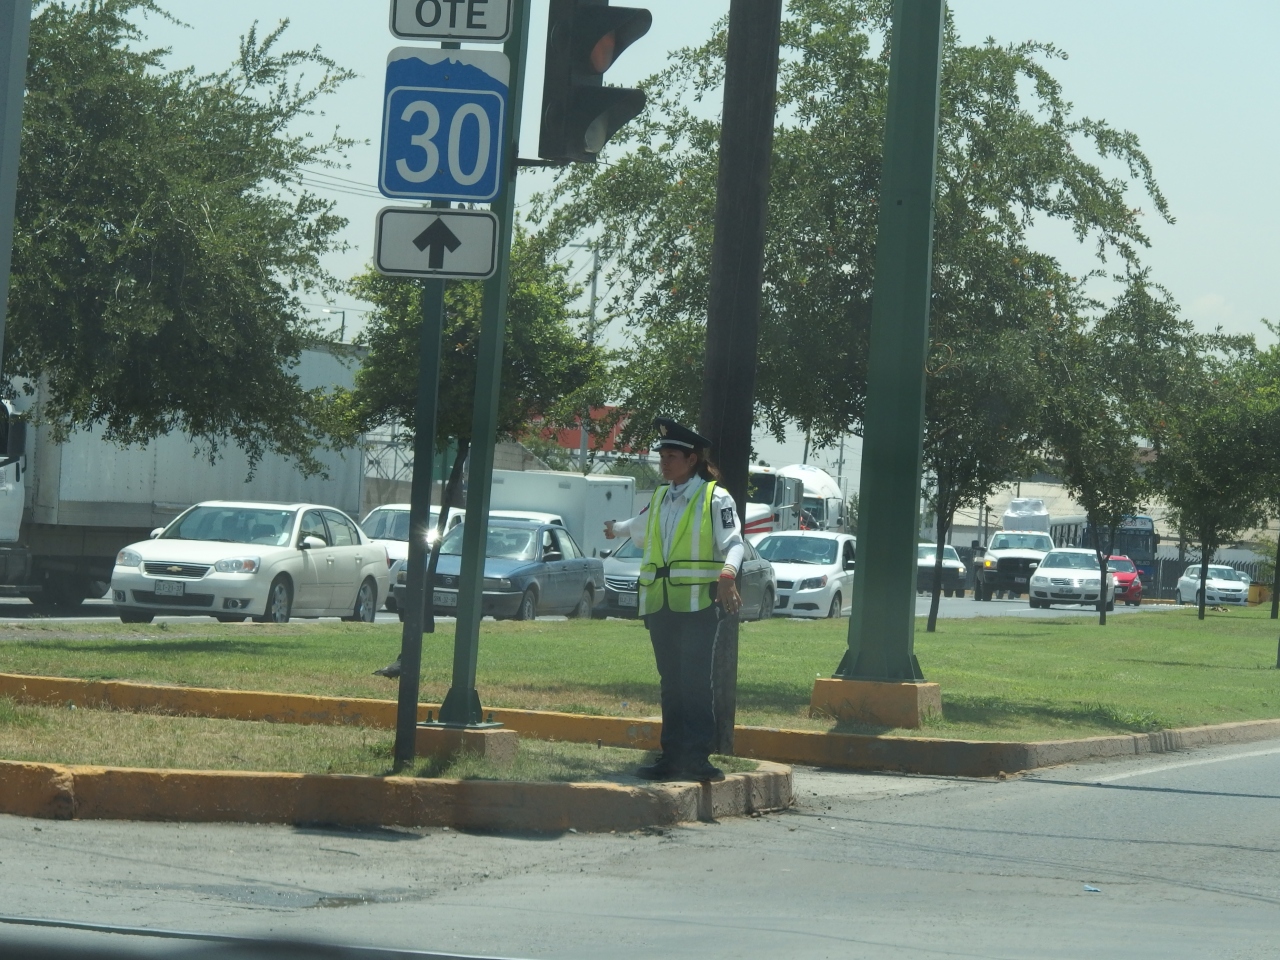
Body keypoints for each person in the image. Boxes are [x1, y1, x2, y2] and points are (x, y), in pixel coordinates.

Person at [604, 417, 744, 782]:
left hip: (698, 604)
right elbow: (638, 528)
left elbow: (734, 543)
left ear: (692, 459)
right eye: (662, 455)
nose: (664, 462)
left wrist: (727, 577)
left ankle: (697, 758)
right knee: (671, 681)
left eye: (672, 456)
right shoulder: (662, 496)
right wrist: (615, 528)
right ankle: (671, 757)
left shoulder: (716, 497)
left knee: (695, 680)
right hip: (660, 604)